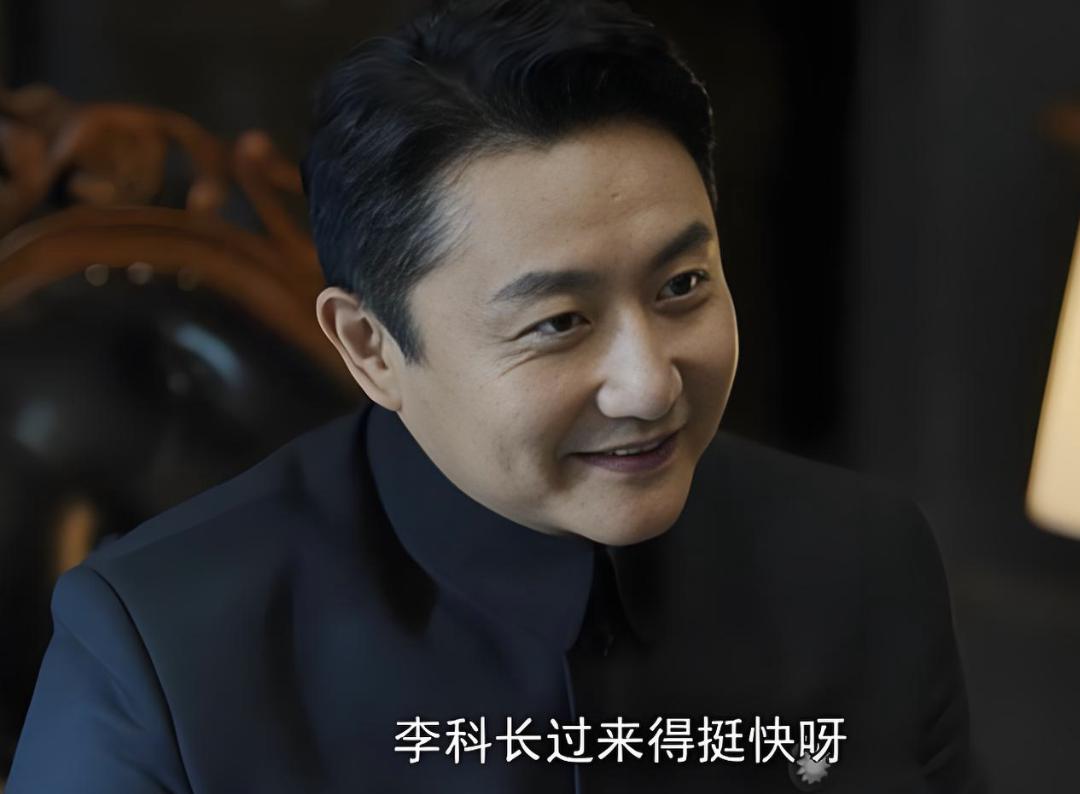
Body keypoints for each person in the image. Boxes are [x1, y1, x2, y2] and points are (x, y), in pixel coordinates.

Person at [6, 0, 983, 791]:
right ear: (372, 346)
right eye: (559, 321)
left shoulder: (864, 563)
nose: (649, 384)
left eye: (682, 285)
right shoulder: (162, 647)